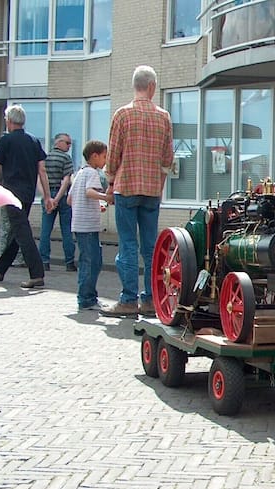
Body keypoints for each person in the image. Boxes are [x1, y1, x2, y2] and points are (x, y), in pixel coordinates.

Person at [101, 65, 174, 318]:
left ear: (136, 86)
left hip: (127, 186)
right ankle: (151, 298)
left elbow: (113, 155)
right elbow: (167, 158)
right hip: (152, 190)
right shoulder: (163, 116)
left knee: (128, 244)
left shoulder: (122, 115)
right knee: (151, 246)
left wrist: (110, 182)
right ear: (152, 87)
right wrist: (160, 184)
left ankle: (128, 299)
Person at [0, 104, 52, 289]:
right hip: (28, 194)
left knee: (22, 232)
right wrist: (46, 196)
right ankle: (1, 267)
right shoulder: (33, 141)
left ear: (9, 120)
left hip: (11, 193)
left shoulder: (6, 141)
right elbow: (42, 170)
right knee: (18, 230)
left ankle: (37, 274)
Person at [67, 140, 113, 311]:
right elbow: (89, 192)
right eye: (104, 156)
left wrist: (93, 206)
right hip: (88, 226)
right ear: (94, 156)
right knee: (92, 262)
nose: (105, 160)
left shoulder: (79, 173)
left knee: (91, 260)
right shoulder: (93, 173)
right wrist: (105, 198)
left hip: (80, 224)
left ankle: (88, 296)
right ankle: (87, 298)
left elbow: (70, 199)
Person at [39, 133, 77, 272]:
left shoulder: (45, 158)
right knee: (66, 229)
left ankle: (44, 261)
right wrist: (57, 198)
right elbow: (66, 180)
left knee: (45, 230)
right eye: (67, 143)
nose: (69, 145)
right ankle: (69, 262)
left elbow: (40, 177)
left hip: (48, 194)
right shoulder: (66, 158)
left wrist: (46, 197)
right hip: (62, 196)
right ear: (59, 142)